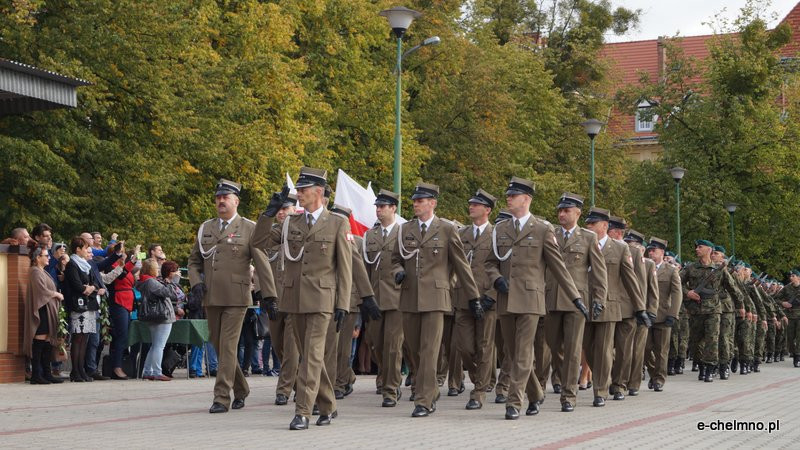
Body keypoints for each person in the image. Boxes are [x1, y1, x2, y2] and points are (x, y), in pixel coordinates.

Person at [256, 168, 351, 430]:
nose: (299, 193)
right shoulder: (290, 222)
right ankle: (329, 405)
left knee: (310, 356)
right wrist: (268, 213)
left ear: (318, 192)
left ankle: (303, 412)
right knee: (311, 358)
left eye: (304, 189)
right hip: (293, 298)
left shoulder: (337, 223)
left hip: (322, 300)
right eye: (298, 189)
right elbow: (259, 241)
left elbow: (345, 267)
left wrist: (342, 303)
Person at [484, 177, 582, 420]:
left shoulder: (542, 229)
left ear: (526, 199)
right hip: (506, 299)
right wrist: (496, 278)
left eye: (513, 195)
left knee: (523, 352)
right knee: (513, 350)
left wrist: (576, 297)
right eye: (508, 195)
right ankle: (536, 394)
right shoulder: (500, 229)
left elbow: (558, 267)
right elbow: (489, 262)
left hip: (530, 299)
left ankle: (514, 401)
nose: (508, 198)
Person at [188, 178, 276, 414]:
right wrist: (196, 283)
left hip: (237, 297)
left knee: (227, 346)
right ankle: (242, 388)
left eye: (225, 197)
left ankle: (221, 398)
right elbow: (195, 261)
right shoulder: (206, 228)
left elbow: (262, 263)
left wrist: (268, 295)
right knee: (219, 346)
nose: (220, 201)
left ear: (236, 201)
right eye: (218, 198)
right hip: (212, 297)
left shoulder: (249, 227)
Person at [393, 182, 479, 418]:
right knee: (414, 351)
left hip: (436, 298)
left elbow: (462, 266)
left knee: (430, 350)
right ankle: (429, 388)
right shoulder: (404, 230)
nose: (415, 204)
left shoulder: (447, 229)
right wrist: (397, 271)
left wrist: (473, 297)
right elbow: (394, 259)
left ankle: (424, 400)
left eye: (420, 201)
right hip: (410, 297)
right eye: (414, 201)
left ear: (432, 203)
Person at [544, 193, 607, 412]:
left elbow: (599, 272)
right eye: (560, 211)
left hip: (576, 301)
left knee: (572, 349)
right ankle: (562, 381)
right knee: (553, 346)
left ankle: (568, 395)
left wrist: (598, 299)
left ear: (577, 213)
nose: (562, 214)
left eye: (566, 210)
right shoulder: (549, 233)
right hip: (551, 298)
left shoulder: (588, 238)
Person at [582, 208, 638, 407]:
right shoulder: (582, 243)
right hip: (584, 303)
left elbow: (630, 280)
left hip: (610, 304)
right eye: (587, 224)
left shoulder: (620, 249)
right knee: (588, 349)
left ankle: (601, 390)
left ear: (604, 226)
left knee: (605, 349)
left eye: (592, 224)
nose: (587, 227)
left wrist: (640, 308)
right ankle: (602, 378)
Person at [453, 189, 500, 410]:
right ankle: (479, 377)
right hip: (463, 297)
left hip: (487, 298)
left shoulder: (497, 235)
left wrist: (491, 296)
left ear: (487, 210)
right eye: (471, 203)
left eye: (476, 204)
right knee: (464, 347)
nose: (471, 207)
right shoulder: (461, 234)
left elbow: (502, 269)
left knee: (485, 346)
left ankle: (479, 392)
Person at [363, 189, 405, 407]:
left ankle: (391, 388)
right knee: (376, 344)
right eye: (377, 207)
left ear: (393, 208)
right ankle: (385, 377)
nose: (379, 210)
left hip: (397, 299)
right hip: (375, 298)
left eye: (383, 206)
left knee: (393, 346)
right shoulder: (370, 236)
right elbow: (366, 269)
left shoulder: (403, 233)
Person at [264, 192, 300, 404]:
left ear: (295, 210)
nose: (282, 213)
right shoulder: (271, 235)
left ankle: (283, 390)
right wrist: (264, 293)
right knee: (278, 346)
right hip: (274, 298)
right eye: (280, 209)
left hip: (294, 298)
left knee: (291, 347)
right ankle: (298, 383)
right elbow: (260, 264)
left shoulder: (299, 233)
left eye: (287, 209)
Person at [62, 236, 104, 382]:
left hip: (89, 304)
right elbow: (77, 285)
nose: (87, 251)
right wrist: (88, 288)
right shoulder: (72, 264)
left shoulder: (86, 264)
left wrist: (91, 288)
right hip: (78, 305)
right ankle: (76, 370)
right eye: (85, 248)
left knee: (85, 339)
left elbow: (95, 284)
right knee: (78, 339)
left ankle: (81, 370)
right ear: (78, 249)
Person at [644, 237, 682, 392]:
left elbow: (677, 293)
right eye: (650, 250)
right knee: (645, 349)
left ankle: (659, 379)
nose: (651, 253)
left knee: (661, 351)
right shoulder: (644, 267)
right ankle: (653, 374)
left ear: (662, 252)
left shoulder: (671, 270)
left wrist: (673, 314)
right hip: (646, 314)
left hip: (663, 314)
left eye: (655, 250)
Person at [623, 229, 658, 396]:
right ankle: (621, 380)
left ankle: (634, 383)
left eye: (634, 245)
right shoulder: (622, 258)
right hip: (625, 310)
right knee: (623, 349)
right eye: (629, 244)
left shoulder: (649, 265)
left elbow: (653, 291)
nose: (631, 247)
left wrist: (651, 311)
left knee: (638, 350)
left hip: (642, 312)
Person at [24, 242, 64, 384]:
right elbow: (41, 290)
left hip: (47, 309)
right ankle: (36, 374)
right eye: (46, 255)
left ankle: (47, 373)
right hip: (41, 309)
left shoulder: (42, 270)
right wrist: (55, 294)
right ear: (37, 258)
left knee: (47, 341)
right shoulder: (35, 271)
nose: (48, 258)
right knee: (39, 342)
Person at [136, 259, 178, 381]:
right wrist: (172, 280)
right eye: (157, 268)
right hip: (162, 316)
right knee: (159, 346)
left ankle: (148, 371)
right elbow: (169, 293)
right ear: (152, 269)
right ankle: (157, 371)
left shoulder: (143, 281)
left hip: (153, 316)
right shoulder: (151, 282)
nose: (159, 270)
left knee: (154, 346)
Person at [108, 249, 138, 380]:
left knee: (124, 336)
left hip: (127, 301)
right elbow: (121, 275)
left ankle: (119, 364)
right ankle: (117, 366)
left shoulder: (125, 267)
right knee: (121, 335)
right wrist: (131, 262)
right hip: (119, 301)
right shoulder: (114, 266)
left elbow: (128, 274)